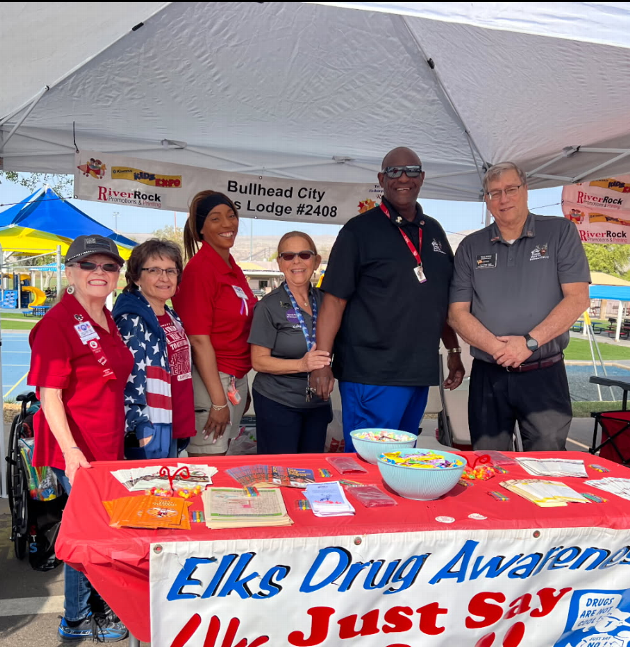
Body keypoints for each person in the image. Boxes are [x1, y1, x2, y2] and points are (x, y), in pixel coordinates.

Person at [308, 147, 465, 450]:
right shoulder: (358, 231)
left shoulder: (432, 230)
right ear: (382, 179)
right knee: (370, 468)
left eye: (412, 171)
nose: (403, 178)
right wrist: (321, 363)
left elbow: (438, 298)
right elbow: (334, 302)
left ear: (422, 178)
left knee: (402, 463)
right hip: (371, 374)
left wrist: (454, 349)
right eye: (394, 171)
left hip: (417, 372)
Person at [28, 234, 133, 642]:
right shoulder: (57, 323)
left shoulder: (104, 320)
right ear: (70, 272)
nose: (99, 273)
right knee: (90, 534)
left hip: (105, 443)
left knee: (96, 531)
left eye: (108, 266)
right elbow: (48, 394)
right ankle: (77, 616)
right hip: (77, 447)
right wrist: (71, 452)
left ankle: (88, 609)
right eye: (89, 265)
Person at [448, 161, 591, 451]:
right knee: (489, 467)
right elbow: (456, 313)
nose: (503, 199)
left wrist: (528, 343)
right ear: (486, 200)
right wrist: (500, 349)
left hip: (544, 374)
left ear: (526, 190)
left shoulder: (560, 232)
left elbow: (578, 298)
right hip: (489, 374)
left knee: (547, 470)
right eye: (494, 193)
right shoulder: (471, 246)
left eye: (511, 189)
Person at [173, 191, 256, 455]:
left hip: (233, 377)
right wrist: (219, 401)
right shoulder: (200, 270)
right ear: (200, 229)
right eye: (215, 218)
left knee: (224, 454)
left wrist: (241, 384)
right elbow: (198, 339)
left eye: (231, 216)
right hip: (211, 380)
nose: (227, 224)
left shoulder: (231, 267)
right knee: (208, 463)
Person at [249, 232, 333, 453]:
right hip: (278, 400)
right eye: (288, 256)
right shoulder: (268, 306)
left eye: (304, 255)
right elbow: (258, 362)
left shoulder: (326, 301)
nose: (296, 261)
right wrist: (302, 365)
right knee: (280, 473)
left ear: (316, 261)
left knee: (311, 472)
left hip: (317, 401)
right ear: (279, 263)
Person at [113, 239, 196, 459]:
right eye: (154, 270)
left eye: (171, 270)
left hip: (174, 416)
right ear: (137, 276)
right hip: (151, 426)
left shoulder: (170, 314)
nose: (164, 277)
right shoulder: (132, 320)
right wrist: (140, 426)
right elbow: (129, 378)